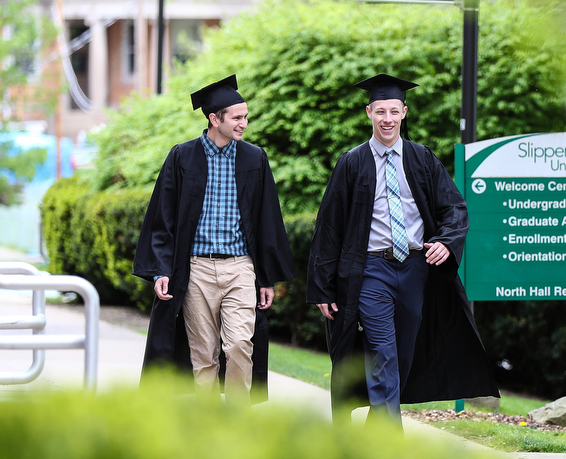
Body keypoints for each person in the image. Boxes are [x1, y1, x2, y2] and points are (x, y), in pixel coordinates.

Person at [307, 73, 499, 426]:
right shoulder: (352, 162)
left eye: (394, 111)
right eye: (380, 111)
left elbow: (453, 206)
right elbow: (329, 226)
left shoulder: (421, 158)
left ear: (404, 112)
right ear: (368, 112)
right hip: (371, 271)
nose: (387, 119)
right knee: (382, 350)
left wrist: (445, 241)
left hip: (414, 270)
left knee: (402, 354)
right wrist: (322, 286)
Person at [132, 74, 295, 405]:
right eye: (237, 117)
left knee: (239, 345)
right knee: (203, 354)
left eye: (245, 117)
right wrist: (162, 270)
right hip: (196, 271)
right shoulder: (182, 158)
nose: (244, 124)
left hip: (240, 269)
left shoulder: (253, 158)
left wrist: (265, 277)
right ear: (214, 118)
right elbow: (163, 218)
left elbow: (266, 220)